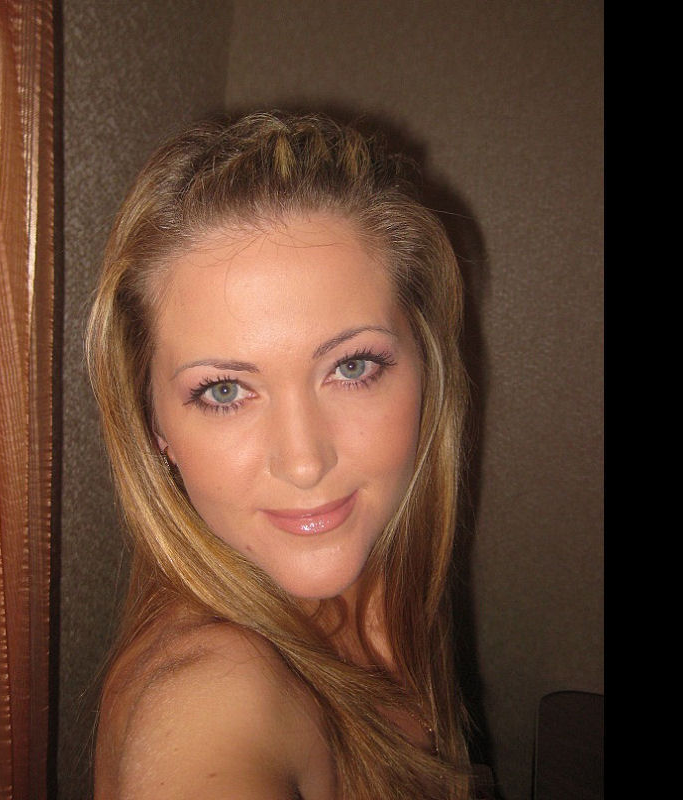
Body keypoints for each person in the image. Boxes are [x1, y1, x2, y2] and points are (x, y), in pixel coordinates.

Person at [87, 110, 475, 799]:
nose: (304, 463)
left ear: (427, 369)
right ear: (154, 426)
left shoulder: (389, 582)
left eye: (352, 367)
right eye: (225, 390)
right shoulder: (209, 692)